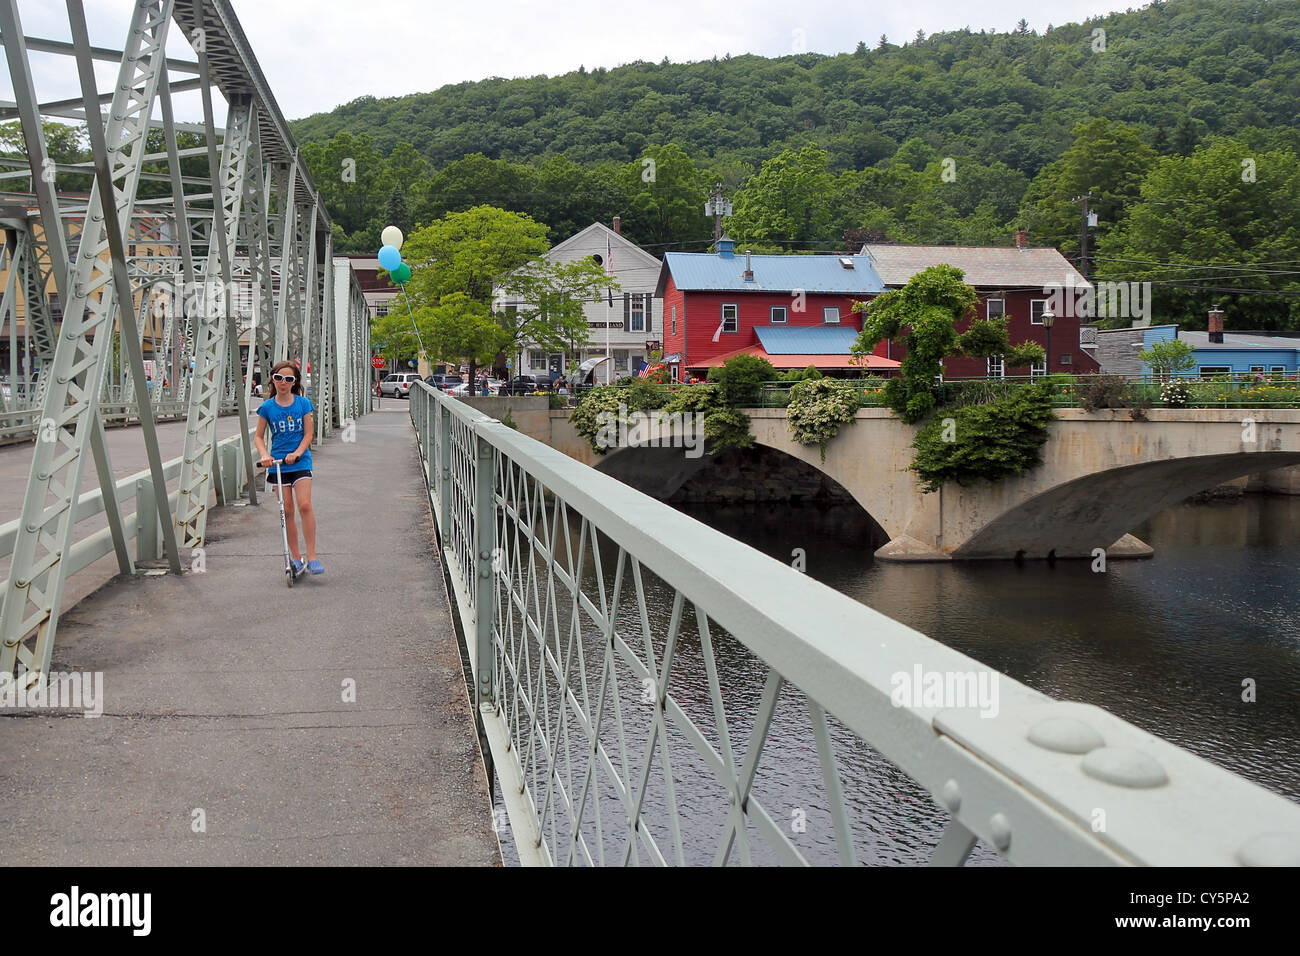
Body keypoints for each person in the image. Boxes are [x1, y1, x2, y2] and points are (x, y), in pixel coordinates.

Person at [254, 359, 323, 575]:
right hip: (278, 465)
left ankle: (311, 557)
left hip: (300, 462)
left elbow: (308, 435)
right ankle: (295, 557)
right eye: (278, 378)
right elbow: (258, 437)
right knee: (287, 510)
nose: (283, 382)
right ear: (273, 380)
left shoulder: (303, 404)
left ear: (294, 382)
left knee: (304, 505)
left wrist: (298, 453)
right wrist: (264, 455)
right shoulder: (267, 407)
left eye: (288, 379)